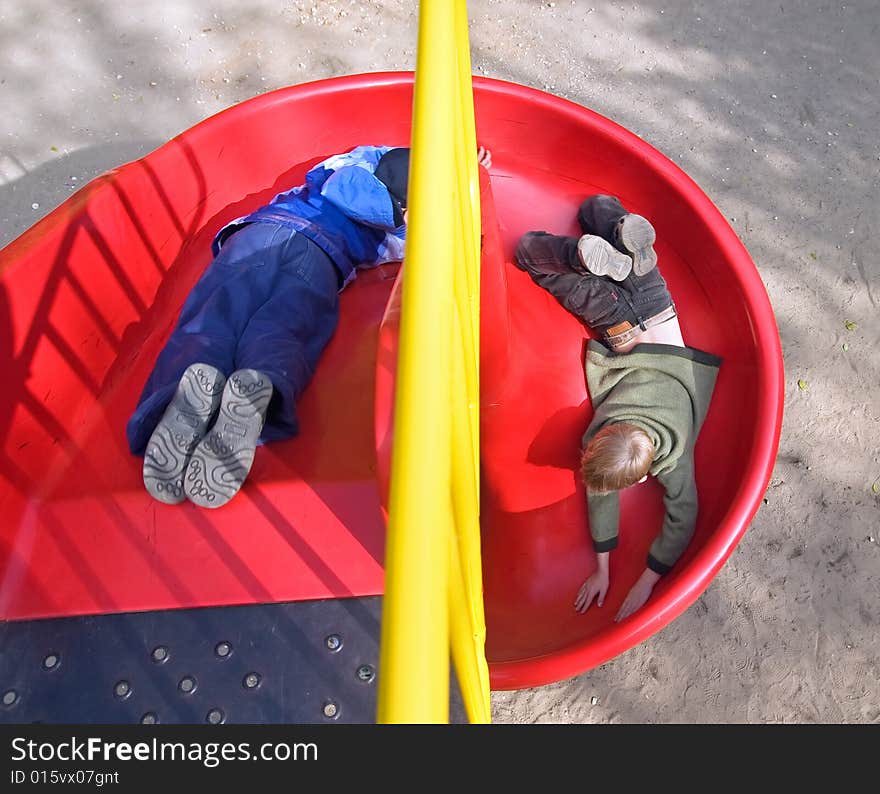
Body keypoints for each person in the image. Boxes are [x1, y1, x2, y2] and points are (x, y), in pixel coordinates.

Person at [128, 144, 492, 509]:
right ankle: (262, 383)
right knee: (281, 330)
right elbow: (449, 245)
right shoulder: (401, 229)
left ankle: (179, 394)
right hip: (319, 259)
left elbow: (377, 157)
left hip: (259, 234)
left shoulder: (347, 167)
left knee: (211, 320)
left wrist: (441, 153)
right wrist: (461, 180)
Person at [514, 195, 721, 621]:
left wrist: (610, 569)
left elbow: (684, 515)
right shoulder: (637, 449)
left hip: (660, 307)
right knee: (528, 254)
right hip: (619, 326)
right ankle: (579, 255)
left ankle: (622, 231)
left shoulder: (674, 454)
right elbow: (681, 519)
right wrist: (641, 576)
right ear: (646, 472)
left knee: (595, 207)